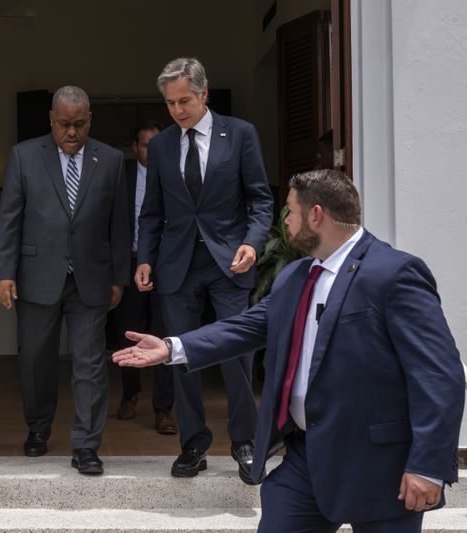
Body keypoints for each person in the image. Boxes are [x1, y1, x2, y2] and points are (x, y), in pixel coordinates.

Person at [114, 168, 464, 533]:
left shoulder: (394, 273)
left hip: (379, 465)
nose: (285, 222)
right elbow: (247, 326)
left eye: (291, 212)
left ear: (316, 215)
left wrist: (427, 466)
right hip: (304, 460)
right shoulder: (296, 275)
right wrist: (173, 347)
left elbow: (440, 374)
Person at [136, 57, 274, 478]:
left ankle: (245, 441)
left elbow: (261, 200)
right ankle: (193, 445)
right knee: (179, 357)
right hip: (176, 267)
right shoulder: (160, 146)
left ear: (204, 94)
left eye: (185, 101)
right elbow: (151, 212)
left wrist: (252, 244)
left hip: (228, 264)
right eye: (170, 103)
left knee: (237, 354)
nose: (177, 110)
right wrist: (144, 258)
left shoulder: (241, 134)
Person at [0, 85, 130, 475]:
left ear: (91, 120)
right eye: (64, 124)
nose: (72, 133)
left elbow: (119, 225)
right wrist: (3, 273)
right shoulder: (24, 156)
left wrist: (118, 277)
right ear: (50, 120)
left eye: (80, 125)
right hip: (37, 276)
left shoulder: (113, 159)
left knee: (90, 364)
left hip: (92, 279)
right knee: (36, 361)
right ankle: (38, 429)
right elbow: (9, 218)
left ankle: (86, 445)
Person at [110, 121, 176, 434]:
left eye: (156, 143)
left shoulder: (175, 172)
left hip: (167, 268)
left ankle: (164, 408)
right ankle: (130, 395)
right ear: (136, 148)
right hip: (130, 264)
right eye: (145, 144)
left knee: (166, 335)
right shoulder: (121, 176)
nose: (151, 149)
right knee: (129, 333)